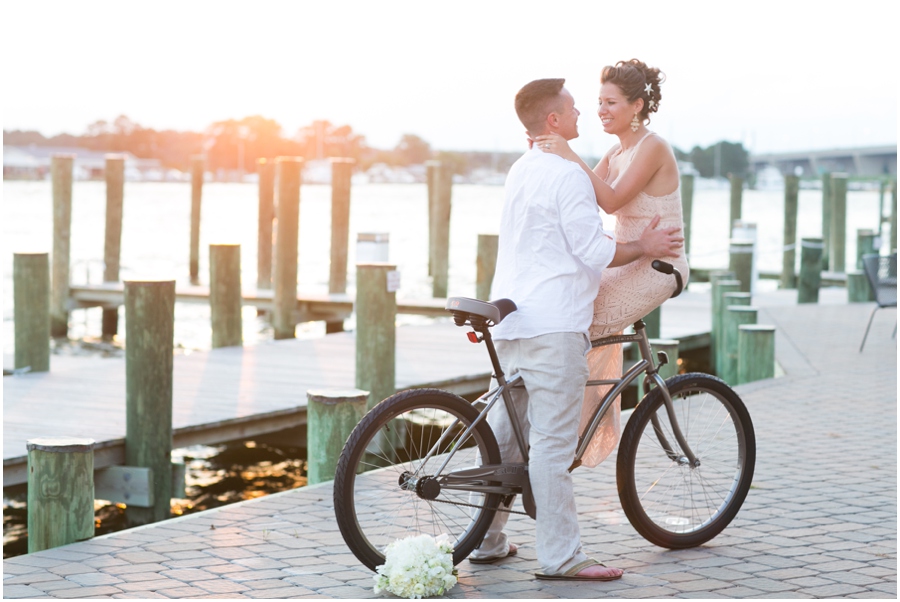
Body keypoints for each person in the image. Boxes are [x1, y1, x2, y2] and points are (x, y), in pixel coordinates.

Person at [466, 77, 682, 580]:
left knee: (506, 437)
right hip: (555, 323)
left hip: (513, 318)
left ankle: (488, 540)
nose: (585, 113)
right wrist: (645, 248)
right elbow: (596, 250)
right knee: (552, 447)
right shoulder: (569, 177)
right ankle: (562, 558)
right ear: (554, 122)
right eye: (575, 108)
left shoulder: (521, 169)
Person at [533, 59, 691, 467]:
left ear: (637, 106)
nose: (601, 110)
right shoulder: (615, 151)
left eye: (611, 103)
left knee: (589, 323)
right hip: (629, 257)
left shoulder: (653, 146)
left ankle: (570, 432)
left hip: (660, 265)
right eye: (599, 102)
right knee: (569, 309)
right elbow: (587, 195)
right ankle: (567, 427)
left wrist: (568, 152)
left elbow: (612, 199)